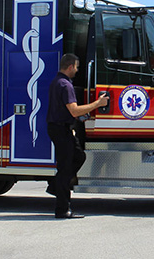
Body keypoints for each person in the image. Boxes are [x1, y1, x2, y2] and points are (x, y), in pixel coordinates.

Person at [46, 53, 109, 219]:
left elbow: (67, 111)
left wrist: (78, 118)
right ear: (70, 67)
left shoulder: (57, 82)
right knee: (65, 169)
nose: (77, 70)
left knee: (79, 156)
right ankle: (62, 210)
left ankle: (55, 185)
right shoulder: (65, 85)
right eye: (76, 67)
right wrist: (98, 104)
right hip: (60, 129)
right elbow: (73, 109)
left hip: (61, 128)